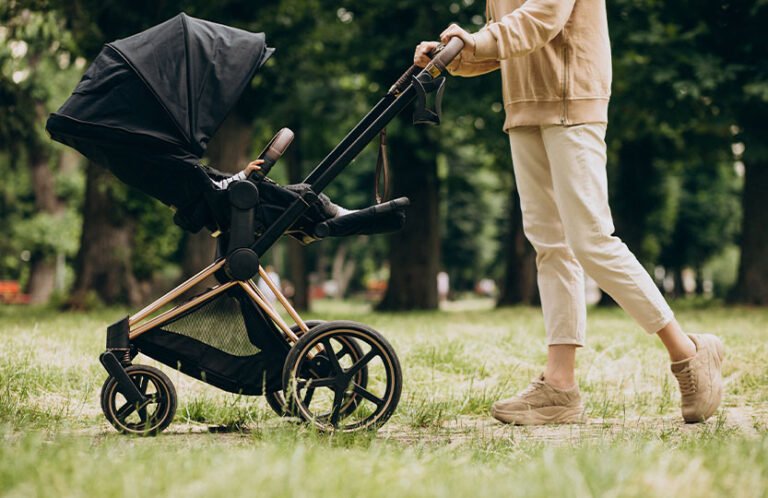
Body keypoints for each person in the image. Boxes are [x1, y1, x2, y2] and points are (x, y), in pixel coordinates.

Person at [414, 0, 724, 425]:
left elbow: (544, 16)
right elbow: (506, 39)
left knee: (591, 240)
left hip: (572, 99)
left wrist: (477, 41)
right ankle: (559, 387)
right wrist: (454, 56)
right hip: (523, 108)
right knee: (551, 246)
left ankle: (688, 352)